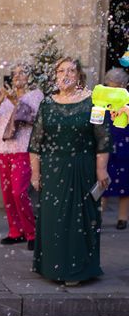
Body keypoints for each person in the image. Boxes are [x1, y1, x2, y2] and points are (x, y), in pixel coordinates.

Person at [29, 57, 110, 286]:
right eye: (61, 70)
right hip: (53, 169)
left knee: (81, 219)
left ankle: (78, 269)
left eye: (71, 70)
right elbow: (36, 142)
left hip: (83, 168)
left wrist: (101, 169)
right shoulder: (47, 104)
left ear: (79, 75)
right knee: (54, 219)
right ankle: (52, 267)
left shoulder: (93, 102)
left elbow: (102, 138)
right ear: (55, 75)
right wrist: (36, 173)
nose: (66, 74)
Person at [0, 63, 44, 250]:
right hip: (3, 149)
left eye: (22, 72)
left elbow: (29, 117)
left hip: (22, 149)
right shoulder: (4, 98)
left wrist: (12, 99)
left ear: (29, 76)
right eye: (15, 73)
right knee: (8, 194)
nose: (18, 76)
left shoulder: (35, 95)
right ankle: (15, 231)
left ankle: (32, 232)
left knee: (19, 192)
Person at [101, 67, 129, 229]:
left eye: (116, 87)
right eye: (110, 86)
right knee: (103, 182)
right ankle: (98, 216)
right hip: (106, 147)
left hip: (125, 147)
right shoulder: (102, 104)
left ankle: (122, 218)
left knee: (125, 185)